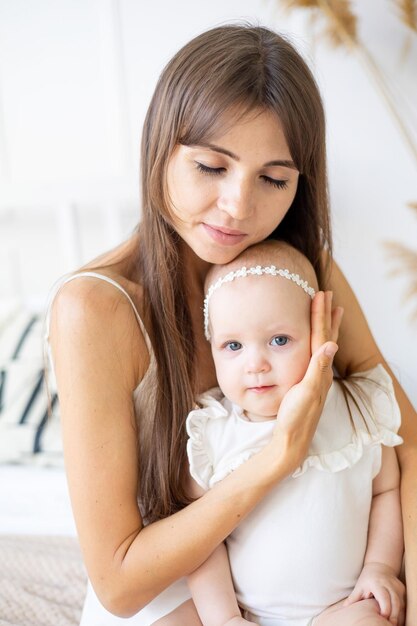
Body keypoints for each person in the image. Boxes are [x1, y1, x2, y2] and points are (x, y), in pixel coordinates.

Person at [46, 24, 417, 626]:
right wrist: (279, 456)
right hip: (179, 574)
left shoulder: (300, 270)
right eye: (211, 167)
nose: (239, 206)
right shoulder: (95, 310)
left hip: (317, 574)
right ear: (160, 148)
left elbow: (406, 440)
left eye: (273, 179)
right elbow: (119, 582)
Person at [153, 239, 404, 626]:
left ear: (318, 333)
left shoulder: (355, 412)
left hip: (339, 609)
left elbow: (388, 490)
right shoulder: (212, 434)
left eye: (279, 340)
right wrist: (224, 619)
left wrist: (381, 567)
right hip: (243, 610)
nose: (256, 364)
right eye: (233, 345)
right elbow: (200, 544)